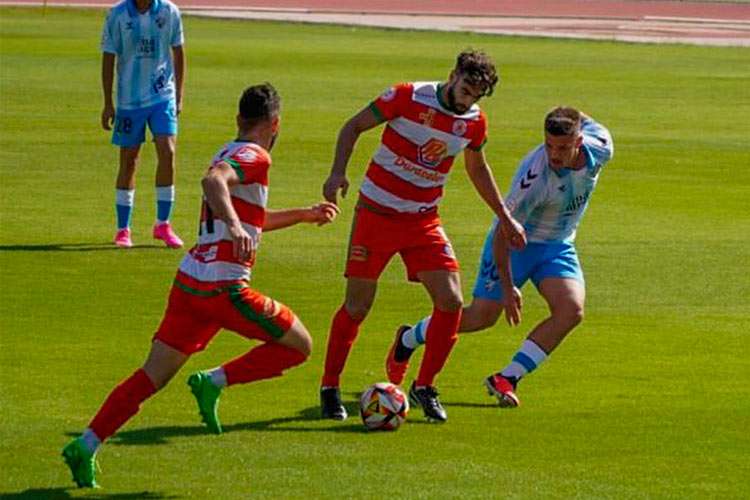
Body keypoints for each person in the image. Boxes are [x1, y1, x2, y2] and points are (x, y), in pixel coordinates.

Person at [61, 83, 340, 488]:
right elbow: (213, 182)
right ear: (274, 124)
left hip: (190, 282)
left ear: (238, 120)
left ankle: (85, 444)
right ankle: (213, 381)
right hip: (224, 289)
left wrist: (302, 215)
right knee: (300, 346)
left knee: (151, 375)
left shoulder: (228, 148)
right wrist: (232, 225)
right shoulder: (255, 155)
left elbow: (247, 214)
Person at [319, 50, 526, 423]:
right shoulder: (406, 96)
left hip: (423, 220)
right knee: (357, 306)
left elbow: (477, 168)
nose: (468, 100)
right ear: (453, 75)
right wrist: (337, 173)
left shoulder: (474, 123)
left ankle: (425, 386)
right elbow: (353, 127)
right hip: (377, 214)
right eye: (465, 89)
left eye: (476, 96)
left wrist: (505, 217)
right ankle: (329, 387)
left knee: (450, 301)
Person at [388, 107, 613, 407]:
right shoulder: (534, 179)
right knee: (482, 317)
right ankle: (409, 338)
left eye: (562, 147)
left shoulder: (601, 146)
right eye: (549, 146)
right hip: (514, 242)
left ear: (579, 140)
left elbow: (581, 116)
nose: (554, 154)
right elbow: (502, 233)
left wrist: (566, 111)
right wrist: (508, 288)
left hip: (557, 244)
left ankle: (507, 378)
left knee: (571, 310)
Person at [101, 0, 186, 248]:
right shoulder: (117, 15)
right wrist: (108, 102)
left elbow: (178, 52)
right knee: (129, 160)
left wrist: (178, 95)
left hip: (162, 95)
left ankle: (163, 224)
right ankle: (123, 228)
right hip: (129, 99)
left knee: (168, 152)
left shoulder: (169, 11)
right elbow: (108, 57)